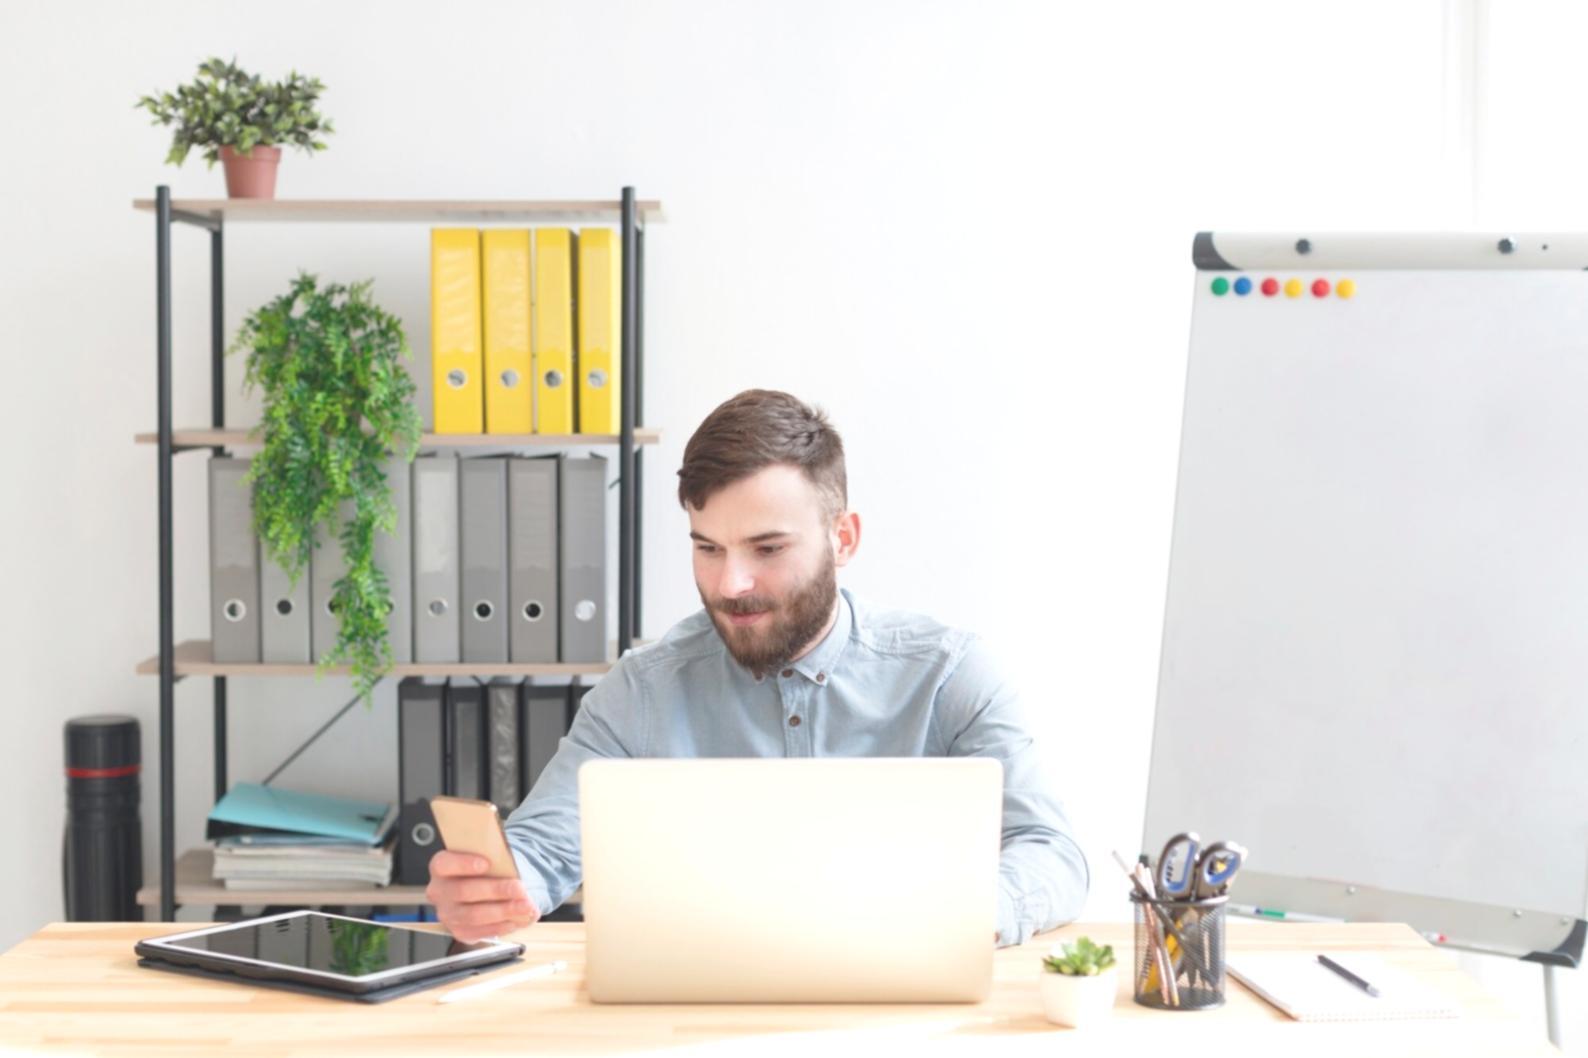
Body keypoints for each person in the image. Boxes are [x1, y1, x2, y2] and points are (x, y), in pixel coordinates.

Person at [426, 389, 1089, 945]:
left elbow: (1051, 853)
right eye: (708, 547)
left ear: (844, 538)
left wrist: (947, 916)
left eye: (766, 548)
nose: (731, 582)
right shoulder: (643, 690)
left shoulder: (950, 676)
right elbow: (541, 854)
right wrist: (496, 891)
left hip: (897, 1005)